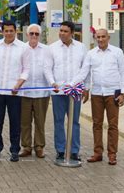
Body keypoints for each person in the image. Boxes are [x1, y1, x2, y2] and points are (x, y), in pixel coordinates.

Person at [69, 29, 124, 165]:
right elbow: (84, 73)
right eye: (98, 37)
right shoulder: (91, 54)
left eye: (103, 37)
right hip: (96, 93)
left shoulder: (117, 52)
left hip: (113, 93)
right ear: (95, 38)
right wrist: (72, 85)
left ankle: (112, 154)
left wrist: (123, 93)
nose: (100, 39)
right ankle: (97, 153)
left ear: (108, 37)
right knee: (97, 124)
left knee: (113, 125)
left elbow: (123, 73)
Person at [44, 21, 89, 161]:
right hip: (58, 92)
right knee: (58, 121)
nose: (62, 33)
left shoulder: (81, 48)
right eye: (61, 31)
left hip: (75, 91)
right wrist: (52, 83)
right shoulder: (52, 48)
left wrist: (85, 87)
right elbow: (47, 68)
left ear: (72, 33)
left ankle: (74, 151)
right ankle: (61, 150)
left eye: (65, 31)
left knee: (74, 121)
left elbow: (85, 69)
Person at [0, 20, 29, 162]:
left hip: (15, 92)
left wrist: (18, 84)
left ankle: (14, 150)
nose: (9, 33)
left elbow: (26, 69)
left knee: (15, 122)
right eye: (6, 31)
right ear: (2, 31)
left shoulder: (23, 47)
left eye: (11, 31)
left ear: (15, 31)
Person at [19, 24, 50, 159]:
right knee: (24, 122)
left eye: (36, 34)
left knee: (40, 121)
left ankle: (39, 147)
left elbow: (49, 69)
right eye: (31, 33)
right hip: (24, 92)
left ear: (40, 35)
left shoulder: (46, 50)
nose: (34, 36)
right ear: (27, 35)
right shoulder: (21, 49)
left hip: (41, 92)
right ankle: (26, 146)